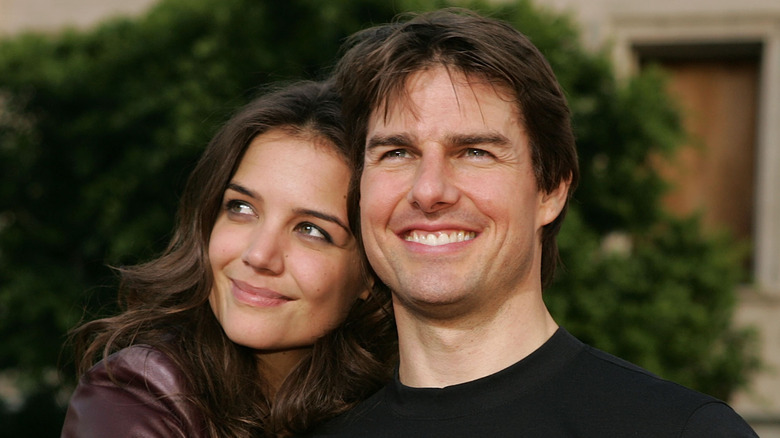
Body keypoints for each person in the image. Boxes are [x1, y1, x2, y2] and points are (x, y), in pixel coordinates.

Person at [309, 9, 759, 437]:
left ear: (551, 191)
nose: (429, 191)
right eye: (397, 153)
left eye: (474, 152)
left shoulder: (680, 430)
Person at [61, 80, 396, 438]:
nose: (259, 255)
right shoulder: (143, 394)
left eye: (311, 229)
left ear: (370, 273)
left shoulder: (399, 402)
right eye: (241, 208)